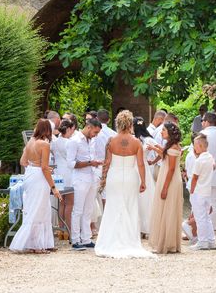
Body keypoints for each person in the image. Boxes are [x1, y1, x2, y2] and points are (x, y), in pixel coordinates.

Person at [93, 110, 154, 258]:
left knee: (113, 206)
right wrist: (143, 181)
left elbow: (107, 163)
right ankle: (129, 240)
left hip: (114, 177)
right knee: (130, 206)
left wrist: (104, 178)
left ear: (118, 123)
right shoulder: (136, 142)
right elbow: (140, 164)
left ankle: (111, 239)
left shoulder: (111, 141)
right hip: (131, 177)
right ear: (130, 124)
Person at [10, 119, 62, 253]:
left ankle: (43, 243)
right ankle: (36, 245)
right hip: (39, 177)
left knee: (38, 208)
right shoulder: (44, 144)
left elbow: (23, 161)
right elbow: (44, 168)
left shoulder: (30, 142)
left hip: (30, 175)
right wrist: (54, 188)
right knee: (39, 209)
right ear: (48, 130)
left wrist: (35, 167)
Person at [148, 122, 184, 254]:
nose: (161, 132)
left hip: (170, 179)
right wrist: (156, 149)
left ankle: (167, 243)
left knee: (168, 209)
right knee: (165, 209)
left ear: (169, 132)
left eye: (163, 130)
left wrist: (165, 188)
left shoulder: (174, 146)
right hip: (167, 176)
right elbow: (166, 157)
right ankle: (166, 241)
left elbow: (172, 168)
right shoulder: (170, 145)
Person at [69, 118, 102, 250]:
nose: (96, 135)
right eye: (95, 132)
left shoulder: (92, 141)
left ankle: (86, 238)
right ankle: (76, 239)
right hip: (80, 178)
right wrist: (90, 163)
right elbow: (70, 163)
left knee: (88, 209)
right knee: (78, 210)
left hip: (92, 177)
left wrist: (96, 164)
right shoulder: (74, 141)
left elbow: (91, 158)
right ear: (88, 127)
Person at [189, 134, 216, 250]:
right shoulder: (210, 157)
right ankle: (211, 240)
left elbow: (195, 177)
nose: (194, 148)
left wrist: (191, 190)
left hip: (199, 191)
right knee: (207, 217)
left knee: (200, 218)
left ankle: (202, 241)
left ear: (199, 146)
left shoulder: (199, 161)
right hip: (207, 191)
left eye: (195, 146)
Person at [50, 118, 76, 238]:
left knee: (61, 203)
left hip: (58, 172)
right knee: (69, 203)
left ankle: (61, 230)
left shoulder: (55, 142)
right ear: (69, 129)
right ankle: (68, 230)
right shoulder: (69, 142)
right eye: (72, 129)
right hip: (69, 173)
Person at [133, 116, 158, 238]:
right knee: (147, 199)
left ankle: (137, 228)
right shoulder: (149, 139)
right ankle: (146, 227)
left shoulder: (133, 139)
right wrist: (153, 161)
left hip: (134, 169)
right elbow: (163, 151)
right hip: (145, 170)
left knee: (137, 198)